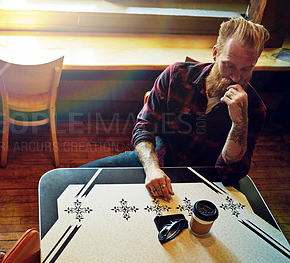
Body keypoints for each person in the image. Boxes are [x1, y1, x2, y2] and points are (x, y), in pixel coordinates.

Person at [81, 17, 270, 201]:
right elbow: (144, 126)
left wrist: (239, 123)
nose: (236, 77)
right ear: (215, 54)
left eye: (246, 69)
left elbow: (229, 174)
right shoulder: (176, 75)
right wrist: (152, 168)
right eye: (229, 66)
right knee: (77, 179)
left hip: (203, 181)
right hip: (155, 160)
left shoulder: (254, 108)